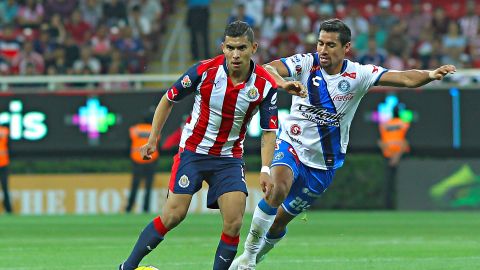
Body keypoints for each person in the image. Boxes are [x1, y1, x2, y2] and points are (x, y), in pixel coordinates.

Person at [230, 18, 456, 269]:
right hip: (291, 144)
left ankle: (256, 256)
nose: (323, 50)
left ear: (346, 47)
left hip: (323, 165)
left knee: (279, 222)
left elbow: (404, 78)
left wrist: (430, 74)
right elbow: (266, 69)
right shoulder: (305, 63)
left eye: (330, 45)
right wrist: (284, 84)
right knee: (277, 188)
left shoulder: (359, 74)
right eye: (320, 43)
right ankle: (248, 257)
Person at [119, 21, 282, 270]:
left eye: (242, 48)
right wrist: (153, 138)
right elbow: (168, 98)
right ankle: (127, 267)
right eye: (230, 48)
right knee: (173, 215)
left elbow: (269, 131)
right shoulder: (204, 71)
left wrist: (265, 169)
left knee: (234, 222)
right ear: (223, 48)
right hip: (193, 153)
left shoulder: (265, 84)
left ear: (254, 48)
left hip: (229, 158)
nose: (236, 54)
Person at [125, 114, 159, 213]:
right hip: (151, 161)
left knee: (135, 185)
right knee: (148, 186)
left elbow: (128, 145)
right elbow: (158, 146)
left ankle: (129, 208)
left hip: (137, 161)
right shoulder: (154, 130)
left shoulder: (135, 129)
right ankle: (146, 208)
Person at [378, 105, 410, 210]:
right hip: (400, 157)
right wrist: (396, 157)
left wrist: (388, 153)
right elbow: (404, 142)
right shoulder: (404, 124)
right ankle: (400, 206)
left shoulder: (385, 124)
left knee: (388, 184)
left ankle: (388, 206)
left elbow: (381, 142)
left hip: (387, 156)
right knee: (401, 184)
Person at [0, 125, 12, 214]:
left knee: (5, 187)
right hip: (4, 163)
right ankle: (8, 209)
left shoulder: (4, 130)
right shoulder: (4, 130)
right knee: (5, 187)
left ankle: (8, 209)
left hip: (3, 164)